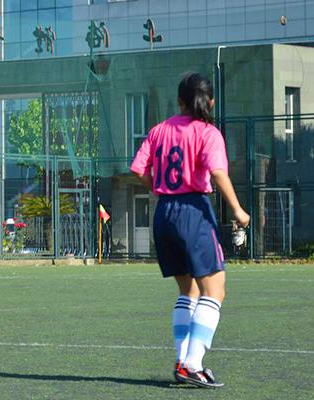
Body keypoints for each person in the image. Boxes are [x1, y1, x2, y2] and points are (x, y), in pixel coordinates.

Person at [130, 72, 250, 388]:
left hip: (164, 213)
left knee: (189, 291)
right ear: (210, 101)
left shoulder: (160, 130)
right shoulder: (208, 132)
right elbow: (218, 172)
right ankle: (193, 364)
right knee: (215, 291)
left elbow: (139, 168)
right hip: (193, 212)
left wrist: (160, 190)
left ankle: (184, 361)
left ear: (180, 101)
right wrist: (238, 209)